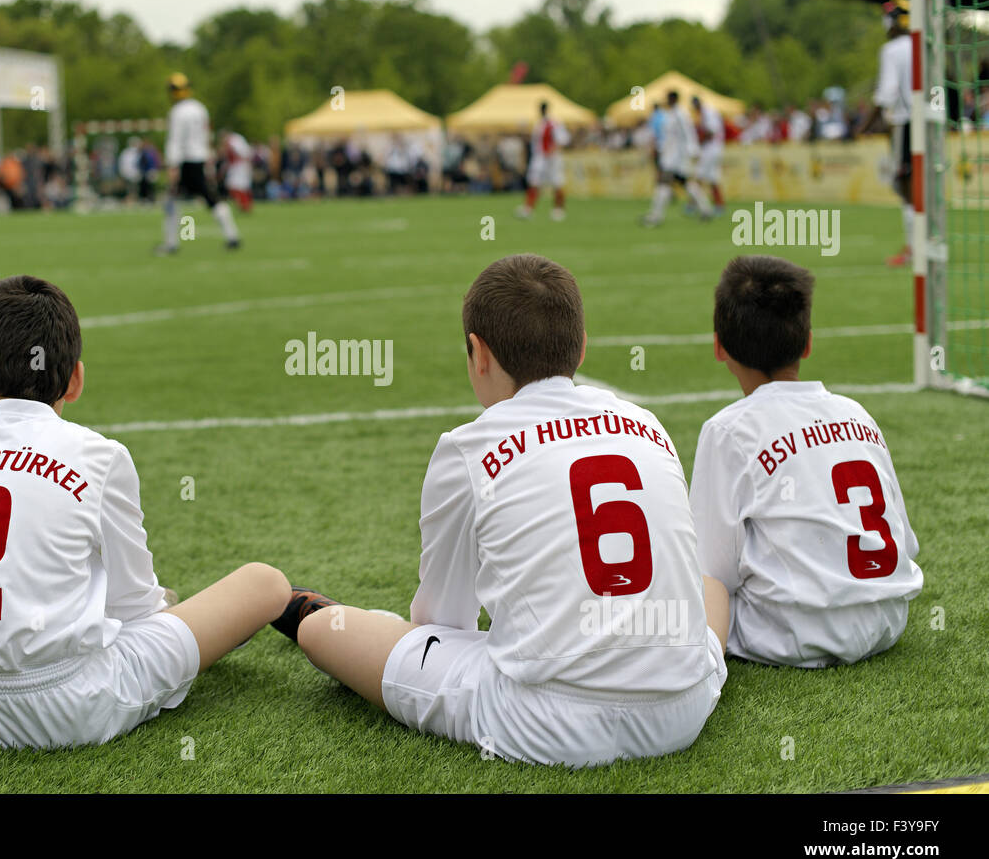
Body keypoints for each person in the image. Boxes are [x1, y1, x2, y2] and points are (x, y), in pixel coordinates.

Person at [271, 254, 729, 767]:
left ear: (477, 353)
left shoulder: (469, 447)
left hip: (545, 724)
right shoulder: (646, 421)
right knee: (711, 586)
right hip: (684, 708)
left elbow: (442, 620)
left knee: (319, 631)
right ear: (581, 346)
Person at [0, 275, 291, 750]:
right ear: (75, 380)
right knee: (265, 583)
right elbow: (135, 607)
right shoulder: (99, 455)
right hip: (67, 708)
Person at [690, 256, 923, 668]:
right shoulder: (857, 413)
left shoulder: (727, 430)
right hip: (888, 618)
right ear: (808, 342)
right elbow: (906, 541)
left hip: (793, 634)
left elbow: (713, 571)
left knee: (684, 592)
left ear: (718, 346)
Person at [156, 73, 240, 254]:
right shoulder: (199, 109)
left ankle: (171, 244)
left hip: (186, 162)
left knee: (172, 200)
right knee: (210, 198)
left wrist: (172, 165)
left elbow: (175, 141)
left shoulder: (178, 112)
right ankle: (232, 235)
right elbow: (206, 135)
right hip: (199, 159)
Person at [859, 0, 915, 267]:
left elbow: (887, 93)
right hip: (928, 123)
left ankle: (914, 247)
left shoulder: (892, 50)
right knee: (918, 183)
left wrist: (865, 126)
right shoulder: (924, 45)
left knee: (905, 186)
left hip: (906, 124)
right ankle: (927, 241)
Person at [641, 90, 713, 226]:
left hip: (677, 157)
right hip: (671, 156)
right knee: (686, 184)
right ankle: (706, 209)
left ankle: (655, 216)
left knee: (663, 183)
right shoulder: (670, 115)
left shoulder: (680, 114)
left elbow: (688, 132)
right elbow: (667, 137)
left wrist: (693, 150)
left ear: (673, 99)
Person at [515, 101, 569, 220]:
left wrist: (551, 151)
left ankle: (558, 210)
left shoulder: (554, 123)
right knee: (534, 181)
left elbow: (562, 140)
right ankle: (528, 208)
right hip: (539, 158)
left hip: (551, 158)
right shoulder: (539, 124)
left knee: (557, 182)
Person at [691, 96, 725, 209]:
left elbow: (711, 132)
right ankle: (719, 205)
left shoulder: (708, 113)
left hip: (711, 148)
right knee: (713, 177)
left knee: (699, 176)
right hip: (713, 148)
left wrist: (699, 141)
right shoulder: (706, 113)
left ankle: (694, 204)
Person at [217, 129, 254, 211]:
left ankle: (245, 205)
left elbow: (243, 153)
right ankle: (243, 205)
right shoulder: (233, 140)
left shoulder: (234, 140)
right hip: (237, 166)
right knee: (235, 186)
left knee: (238, 186)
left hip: (240, 166)